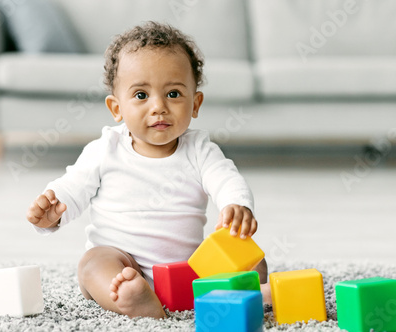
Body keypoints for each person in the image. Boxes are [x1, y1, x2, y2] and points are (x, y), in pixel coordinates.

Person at [26, 21, 269, 319]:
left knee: (251, 258)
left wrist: (237, 204)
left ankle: (246, 293)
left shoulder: (200, 150)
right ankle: (133, 298)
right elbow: (72, 188)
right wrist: (52, 214)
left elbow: (226, 178)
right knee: (92, 264)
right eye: (141, 95)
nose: (158, 107)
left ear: (196, 103)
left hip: (190, 270)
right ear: (117, 109)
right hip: (124, 263)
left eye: (174, 94)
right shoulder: (106, 149)